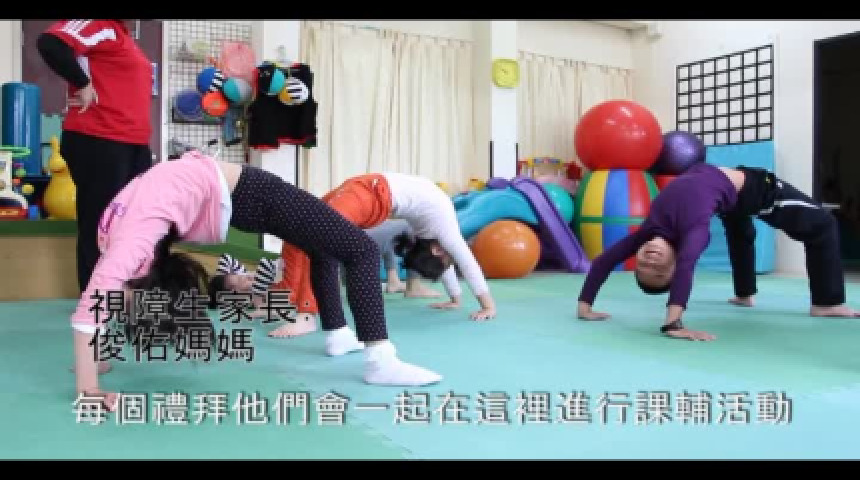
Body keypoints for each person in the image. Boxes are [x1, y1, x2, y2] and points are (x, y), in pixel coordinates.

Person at [71, 151, 443, 411]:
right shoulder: (120, 243)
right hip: (245, 195)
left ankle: (338, 334)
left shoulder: (127, 248)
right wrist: (91, 377)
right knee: (361, 250)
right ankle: (380, 360)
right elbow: (96, 310)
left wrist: (91, 378)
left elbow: (91, 311)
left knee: (331, 247)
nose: (118, 308)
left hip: (249, 194)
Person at [576, 163, 859, 341]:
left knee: (741, 233)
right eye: (659, 271)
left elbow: (603, 261)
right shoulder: (694, 233)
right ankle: (826, 302)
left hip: (726, 196)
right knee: (823, 224)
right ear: (674, 265)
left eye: (643, 267)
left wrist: (584, 306)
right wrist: (673, 324)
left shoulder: (647, 233)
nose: (650, 261)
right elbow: (687, 265)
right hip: (757, 190)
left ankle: (744, 294)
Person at [268, 172, 497, 338]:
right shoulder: (444, 232)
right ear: (438, 250)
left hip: (370, 192)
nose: (450, 260)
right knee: (298, 231)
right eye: (448, 259)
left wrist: (455, 298)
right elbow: (466, 263)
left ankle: (306, 316)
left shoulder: (435, 235)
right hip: (366, 188)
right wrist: (487, 306)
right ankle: (282, 298)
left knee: (314, 234)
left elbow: (447, 262)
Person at [37, 20, 155, 293]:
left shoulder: (122, 36)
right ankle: (96, 298)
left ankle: (124, 292)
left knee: (131, 224)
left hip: (132, 142)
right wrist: (82, 83)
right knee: (100, 223)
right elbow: (50, 43)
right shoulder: (99, 24)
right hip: (100, 137)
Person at [368, 219, 441, 297]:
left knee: (394, 232)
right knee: (411, 230)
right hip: (363, 244)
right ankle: (413, 288)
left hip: (363, 237)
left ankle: (393, 280)